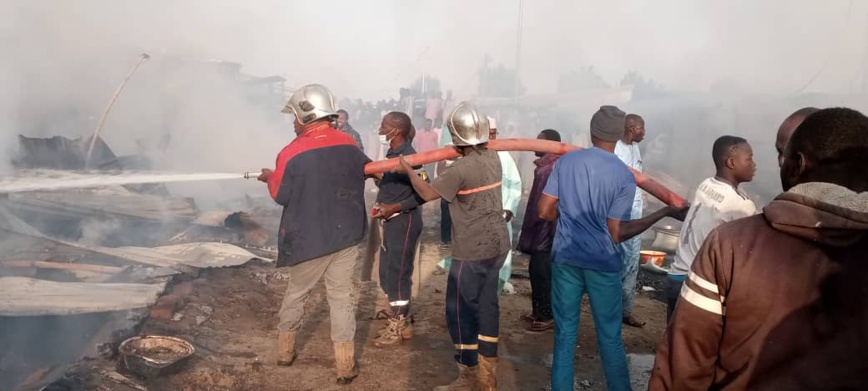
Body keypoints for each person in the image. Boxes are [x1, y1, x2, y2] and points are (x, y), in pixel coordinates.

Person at [649, 107, 868, 390]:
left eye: (782, 153)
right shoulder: (738, 217)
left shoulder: (732, 239)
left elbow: (683, 371)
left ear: (798, 164)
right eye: (750, 158)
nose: (766, 164)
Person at [538, 106, 688, 391]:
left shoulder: (567, 163)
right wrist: (662, 213)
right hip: (603, 263)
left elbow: (544, 211)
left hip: (566, 260)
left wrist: (569, 213)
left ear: (591, 131)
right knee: (609, 339)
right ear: (620, 134)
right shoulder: (623, 175)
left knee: (565, 336)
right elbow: (617, 232)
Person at [257, 84, 370, 385]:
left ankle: (284, 353)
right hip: (346, 235)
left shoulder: (291, 152)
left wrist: (270, 177)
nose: (292, 123)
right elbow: (362, 172)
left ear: (307, 115)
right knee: (342, 298)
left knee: (297, 294)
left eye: (294, 117)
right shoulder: (349, 143)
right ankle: (345, 366)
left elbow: (282, 195)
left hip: (309, 238)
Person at [396, 102, 510, 391]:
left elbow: (427, 193)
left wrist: (409, 169)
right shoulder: (494, 158)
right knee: (487, 307)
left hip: (472, 249)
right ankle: (488, 379)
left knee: (457, 310)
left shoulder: (461, 169)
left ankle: (468, 375)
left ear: (455, 138)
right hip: (498, 245)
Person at [665, 136, 756, 320]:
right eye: (749, 159)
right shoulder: (741, 205)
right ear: (731, 162)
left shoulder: (706, 185)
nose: (754, 164)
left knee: (673, 341)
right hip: (698, 285)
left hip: (676, 275)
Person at [369, 112, 425, 347]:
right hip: (390, 223)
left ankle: (398, 325)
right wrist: (377, 175)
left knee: (399, 275)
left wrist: (395, 206)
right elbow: (393, 184)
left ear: (397, 130)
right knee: (387, 273)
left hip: (404, 220)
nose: (381, 130)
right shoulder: (393, 155)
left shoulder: (410, 157)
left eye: (385, 126)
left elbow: (424, 191)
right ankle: (401, 318)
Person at [517, 128, 561, 332]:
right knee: (536, 271)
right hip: (543, 229)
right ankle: (539, 312)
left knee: (542, 272)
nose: (534, 144)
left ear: (550, 144)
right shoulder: (546, 167)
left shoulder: (550, 169)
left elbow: (546, 207)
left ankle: (546, 315)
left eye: (539, 141)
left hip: (547, 230)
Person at [614, 113, 646, 328]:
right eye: (642, 128)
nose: (644, 133)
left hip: (635, 211)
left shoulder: (635, 148)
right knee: (617, 261)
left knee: (632, 262)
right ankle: (611, 311)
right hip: (619, 213)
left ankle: (626, 310)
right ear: (632, 128)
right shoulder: (615, 150)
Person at [489, 116, 523, 293]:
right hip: (479, 214)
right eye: (488, 134)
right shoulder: (471, 155)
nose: (491, 137)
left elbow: (515, 184)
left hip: (501, 211)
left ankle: (501, 280)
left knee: (503, 249)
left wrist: (509, 208)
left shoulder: (503, 155)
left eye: (494, 134)